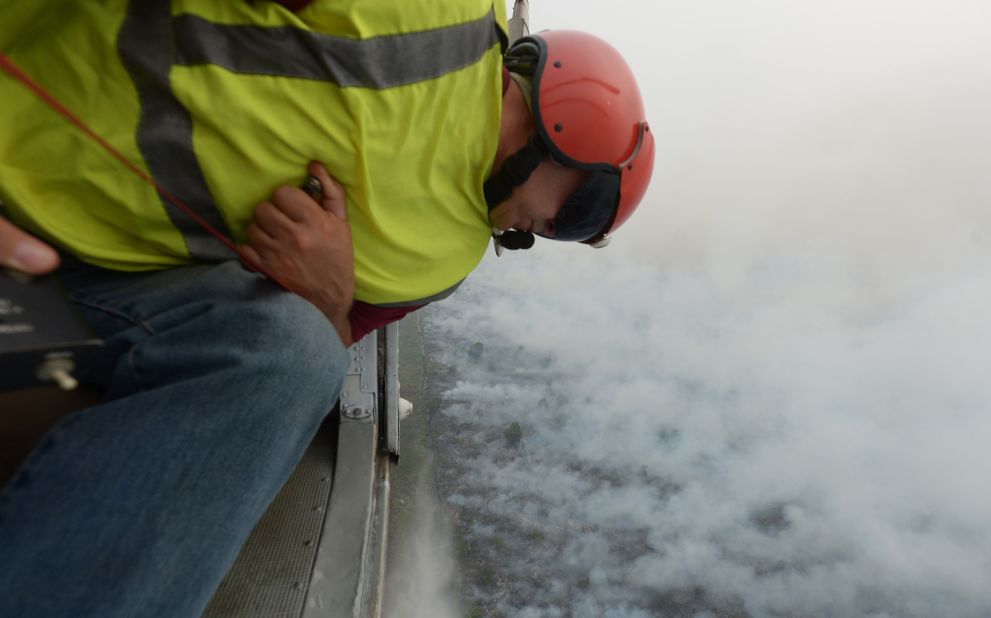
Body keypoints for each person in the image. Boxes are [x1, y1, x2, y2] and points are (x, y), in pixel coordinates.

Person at [0, 0, 654, 616]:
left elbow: (334, 338)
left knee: (294, 355)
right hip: (26, 154)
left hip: (119, 284)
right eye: (581, 211)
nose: (552, 229)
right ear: (566, 120)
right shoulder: (428, 17)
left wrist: (328, 293)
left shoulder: (444, 261)